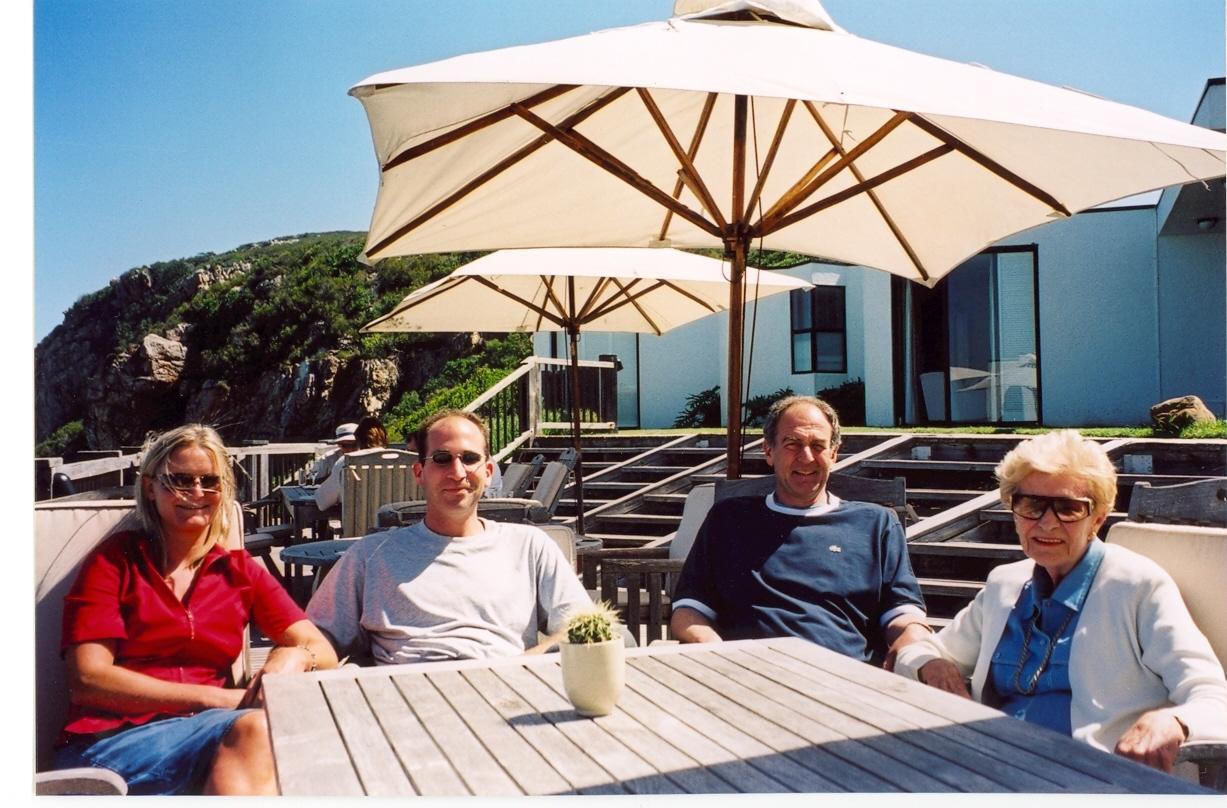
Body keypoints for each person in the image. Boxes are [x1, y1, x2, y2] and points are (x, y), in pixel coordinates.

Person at [894, 430, 1227, 772]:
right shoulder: (1004, 584)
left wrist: (1174, 722)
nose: (1047, 522)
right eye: (1032, 505)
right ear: (1014, 511)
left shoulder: (1138, 587)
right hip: (986, 762)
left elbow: (1214, 697)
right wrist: (930, 665)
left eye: (1069, 508)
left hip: (1090, 778)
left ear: (1096, 519)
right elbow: (924, 651)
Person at [55, 424, 338, 795]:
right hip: (114, 744)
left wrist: (295, 657)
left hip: (215, 738)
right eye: (180, 480)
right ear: (150, 486)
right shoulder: (116, 561)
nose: (197, 492)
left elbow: (323, 652)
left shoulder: (238, 571)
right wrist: (216, 699)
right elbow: (88, 680)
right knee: (259, 730)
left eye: (210, 481)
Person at [306, 409, 591, 665]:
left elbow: (583, 627)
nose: (457, 472)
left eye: (469, 459)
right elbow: (318, 635)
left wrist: (523, 664)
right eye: (441, 459)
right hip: (402, 700)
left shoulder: (530, 547)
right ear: (419, 473)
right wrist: (295, 656)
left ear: (489, 472)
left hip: (507, 695)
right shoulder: (370, 555)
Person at [670, 395, 931, 667]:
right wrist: (712, 649)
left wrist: (914, 634)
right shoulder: (729, 519)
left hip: (847, 679)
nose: (806, 458)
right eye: (792, 444)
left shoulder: (876, 524)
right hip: (749, 676)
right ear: (768, 451)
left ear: (833, 453)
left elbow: (903, 612)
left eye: (818, 445)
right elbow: (689, 609)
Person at [314, 416, 389, 511]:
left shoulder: (346, 462)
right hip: (399, 524)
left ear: (358, 440)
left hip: (357, 524)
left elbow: (322, 502)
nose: (349, 449)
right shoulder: (403, 462)